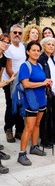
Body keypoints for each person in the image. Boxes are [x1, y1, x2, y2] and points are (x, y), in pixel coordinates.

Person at [17, 41, 52, 166]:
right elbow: (26, 84)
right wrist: (43, 83)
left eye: (38, 50)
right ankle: (21, 154)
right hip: (31, 101)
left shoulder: (39, 66)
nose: (36, 53)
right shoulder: (25, 66)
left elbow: (41, 81)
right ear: (28, 52)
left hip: (41, 100)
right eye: (34, 50)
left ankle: (34, 146)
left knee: (37, 124)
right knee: (29, 127)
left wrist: (47, 83)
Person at [38, 37, 55, 148]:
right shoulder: (41, 59)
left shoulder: (52, 59)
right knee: (46, 117)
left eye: (53, 45)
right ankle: (45, 139)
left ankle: (52, 137)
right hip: (46, 92)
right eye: (48, 44)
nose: (51, 46)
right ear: (43, 46)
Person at [2, 24, 26, 143]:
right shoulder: (8, 48)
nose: (17, 35)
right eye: (15, 32)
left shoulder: (22, 47)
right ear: (10, 33)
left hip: (22, 81)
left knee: (21, 104)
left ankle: (19, 130)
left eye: (19, 33)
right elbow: (8, 68)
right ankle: (8, 129)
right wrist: (15, 79)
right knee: (11, 106)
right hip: (10, 82)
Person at [0, 34, 15, 173]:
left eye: (7, 42)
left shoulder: (3, 58)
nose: (5, 44)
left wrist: (7, 81)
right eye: (3, 41)